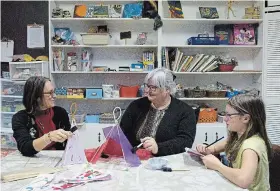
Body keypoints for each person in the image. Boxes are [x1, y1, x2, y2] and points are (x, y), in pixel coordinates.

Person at [196, 94, 272, 191]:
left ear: (245, 118)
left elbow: (243, 180)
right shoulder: (238, 136)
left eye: (229, 115)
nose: (224, 118)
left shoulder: (250, 146)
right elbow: (220, 146)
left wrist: (218, 165)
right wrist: (209, 149)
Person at [120, 68, 196, 156]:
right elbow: (123, 132)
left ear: (167, 89)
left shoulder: (185, 111)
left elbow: (185, 141)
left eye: (153, 87)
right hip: (136, 158)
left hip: (168, 160)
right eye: (147, 86)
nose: (147, 91)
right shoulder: (137, 105)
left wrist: (158, 148)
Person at [12, 76, 72, 157]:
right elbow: (25, 148)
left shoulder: (60, 113)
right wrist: (48, 137)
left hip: (57, 158)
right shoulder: (20, 118)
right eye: (50, 93)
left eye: (54, 92)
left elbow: (69, 144)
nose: (54, 96)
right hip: (33, 161)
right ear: (36, 96)